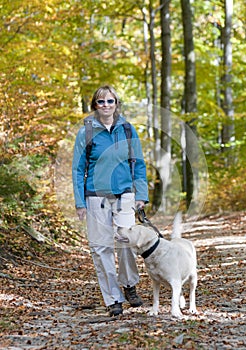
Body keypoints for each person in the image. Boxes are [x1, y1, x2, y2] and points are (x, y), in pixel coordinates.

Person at [72, 85, 149, 317]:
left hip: (125, 193)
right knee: (101, 247)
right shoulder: (86, 131)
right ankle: (112, 298)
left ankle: (129, 284)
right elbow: (77, 170)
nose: (106, 106)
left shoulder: (127, 130)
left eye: (110, 101)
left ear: (117, 103)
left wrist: (141, 194)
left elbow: (139, 163)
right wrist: (79, 202)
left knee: (126, 242)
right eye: (101, 102)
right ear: (95, 105)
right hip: (95, 196)